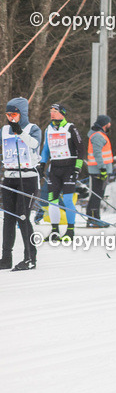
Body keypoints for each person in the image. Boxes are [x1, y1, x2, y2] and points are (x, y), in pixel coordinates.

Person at [1, 97, 41, 270]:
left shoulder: (33, 129)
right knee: (8, 219)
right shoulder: (4, 130)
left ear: (22, 114)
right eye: (8, 114)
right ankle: (5, 258)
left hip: (28, 178)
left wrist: (20, 132)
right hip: (10, 177)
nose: (11, 117)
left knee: (23, 217)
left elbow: (34, 144)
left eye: (14, 114)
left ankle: (30, 258)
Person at [39, 104, 84, 243]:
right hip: (55, 169)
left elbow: (81, 149)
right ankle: (55, 231)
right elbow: (46, 149)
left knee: (68, 200)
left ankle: (70, 231)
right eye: (51, 111)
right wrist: (42, 165)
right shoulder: (49, 129)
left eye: (55, 111)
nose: (52, 114)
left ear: (62, 114)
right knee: (52, 201)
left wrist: (78, 167)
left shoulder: (70, 127)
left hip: (69, 168)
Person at [85, 114, 112, 227]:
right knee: (97, 194)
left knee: (97, 194)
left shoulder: (99, 135)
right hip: (98, 170)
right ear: (105, 124)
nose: (110, 125)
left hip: (98, 169)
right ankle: (94, 218)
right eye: (109, 123)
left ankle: (92, 218)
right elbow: (97, 153)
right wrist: (102, 169)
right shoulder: (98, 136)